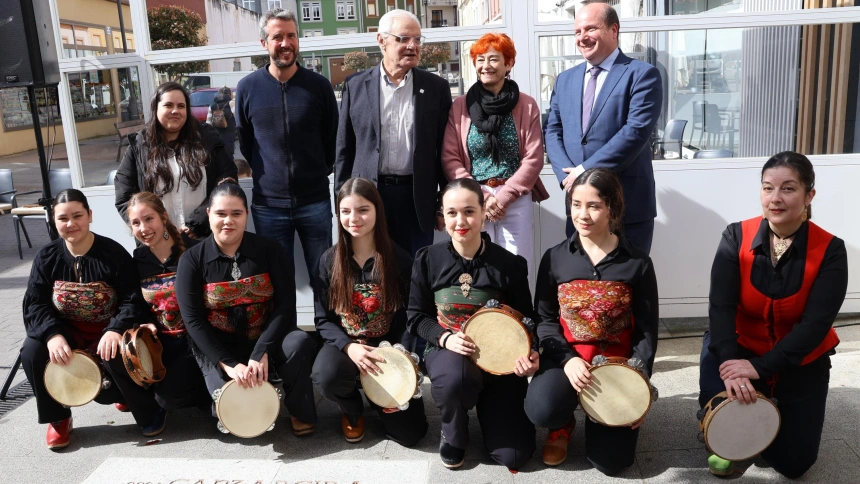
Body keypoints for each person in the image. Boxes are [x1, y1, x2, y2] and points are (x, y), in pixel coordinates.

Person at [698, 151, 847, 478]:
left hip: (801, 357)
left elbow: (816, 324)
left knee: (794, 465)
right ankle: (733, 419)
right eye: (768, 188)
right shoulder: (735, 236)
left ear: (809, 195)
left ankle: (766, 417)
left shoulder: (831, 249)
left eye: (788, 189)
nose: (775, 198)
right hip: (739, 349)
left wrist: (761, 368)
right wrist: (732, 368)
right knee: (726, 437)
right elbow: (720, 308)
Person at [524, 168, 658, 474]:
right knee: (542, 409)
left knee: (612, 464)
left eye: (593, 205)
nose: (582, 215)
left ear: (613, 207)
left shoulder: (637, 262)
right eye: (575, 204)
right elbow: (544, 320)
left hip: (616, 367)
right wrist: (567, 359)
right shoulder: (555, 258)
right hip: (567, 361)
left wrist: (639, 385)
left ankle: (602, 420)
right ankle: (563, 424)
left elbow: (647, 330)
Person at [407, 178, 539, 471]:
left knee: (514, 456)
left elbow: (528, 319)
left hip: (500, 363)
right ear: (442, 217)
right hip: (451, 357)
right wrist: (444, 338)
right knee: (459, 378)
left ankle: (491, 409)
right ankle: (453, 427)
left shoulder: (509, 264)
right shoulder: (428, 259)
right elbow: (415, 317)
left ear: (483, 214)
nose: (460, 221)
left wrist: (532, 353)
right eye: (451, 213)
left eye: (469, 211)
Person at [21, 189, 165, 450]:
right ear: (54, 221)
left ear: (90, 215)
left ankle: (145, 410)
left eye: (78, 216)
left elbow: (132, 299)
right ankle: (59, 418)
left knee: (119, 350)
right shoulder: (46, 257)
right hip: (68, 333)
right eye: (63, 218)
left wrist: (115, 329)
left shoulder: (113, 254)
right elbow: (35, 304)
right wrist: (53, 335)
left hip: (108, 331)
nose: (71, 224)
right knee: (31, 350)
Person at [175, 179, 318, 435]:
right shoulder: (191, 260)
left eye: (236, 213)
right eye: (220, 213)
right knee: (230, 413)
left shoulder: (269, 250)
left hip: (266, 340)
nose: (228, 220)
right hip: (219, 347)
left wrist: (262, 351)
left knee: (299, 342)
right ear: (209, 215)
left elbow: (286, 304)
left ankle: (299, 409)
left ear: (247, 215)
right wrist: (228, 363)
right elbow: (193, 320)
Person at [311, 178, 428, 446]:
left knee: (412, 435)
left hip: (388, 349)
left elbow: (411, 316)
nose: (354, 218)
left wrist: (400, 361)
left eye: (363, 209)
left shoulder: (399, 260)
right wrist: (348, 347)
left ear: (377, 210)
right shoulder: (328, 261)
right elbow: (323, 320)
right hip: (347, 347)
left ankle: (379, 398)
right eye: (346, 211)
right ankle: (352, 408)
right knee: (325, 375)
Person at [544, 2, 662, 254]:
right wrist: (568, 178)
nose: (582, 37)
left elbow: (635, 132)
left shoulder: (642, 75)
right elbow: (553, 131)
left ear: (613, 30)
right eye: (577, 31)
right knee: (582, 284)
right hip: (579, 209)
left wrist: (584, 172)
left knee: (627, 286)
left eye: (590, 29)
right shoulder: (565, 79)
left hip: (626, 206)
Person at [335, 9, 453, 258]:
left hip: (416, 197)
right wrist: (342, 202)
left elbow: (443, 150)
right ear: (381, 41)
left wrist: (444, 203)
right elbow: (344, 148)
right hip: (369, 196)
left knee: (416, 272)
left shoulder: (436, 88)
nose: (412, 46)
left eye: (418, 40)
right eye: (403, 39)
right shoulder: (355, 86)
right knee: (372, 271)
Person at [236, 8, 338, 291]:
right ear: (264, 43)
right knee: (278, 282)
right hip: (268, 205)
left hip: (315, 201)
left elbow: (332, 138)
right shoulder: (247, 88)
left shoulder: (318, 87)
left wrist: (317, 170)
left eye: (291, 36)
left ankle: (328, 335)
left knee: (324, 278)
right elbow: (246, 142)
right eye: (277, 36)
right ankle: (286, 335)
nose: (285, 43)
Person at [442, 32, 549, 275]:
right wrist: (480, 196)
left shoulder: (526, 104)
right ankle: (481, 313)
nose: (485, 66)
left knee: (517, 263)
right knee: (477, 264)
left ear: (508, 63)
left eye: (493, 59)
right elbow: (450, 157)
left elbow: (533, 158)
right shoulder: (461, 106)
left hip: (515, 197)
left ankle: (515, 313)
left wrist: (503, 197)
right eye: (480, 60)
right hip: (473, 198)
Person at [115, 81, 237, 239]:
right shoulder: (140, 146)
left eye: (181, 106)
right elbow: (124, 197)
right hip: (159, 242)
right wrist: (151, 226)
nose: (175, 111)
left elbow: (227, 181)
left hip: (203, 237)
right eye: (168, 105)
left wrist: (199, 222)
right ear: (155, 108)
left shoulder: (206, 138)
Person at [126, 192, 209, 412]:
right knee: (168, 400)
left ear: (164, 217)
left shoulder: (195, 251)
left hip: (199, 340)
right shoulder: (137, 260)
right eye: (136, 223)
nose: (143, 228)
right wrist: (144, 321)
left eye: (149, 219)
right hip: (163, 344)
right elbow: (134, 303)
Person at [206, 86, 236, 160]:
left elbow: (208, 123)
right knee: (229, 153)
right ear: (230, 94)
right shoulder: (231, 103)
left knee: (218, 153)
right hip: (229, 132)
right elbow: (238, 117)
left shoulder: (212, 105)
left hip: (216, 133)